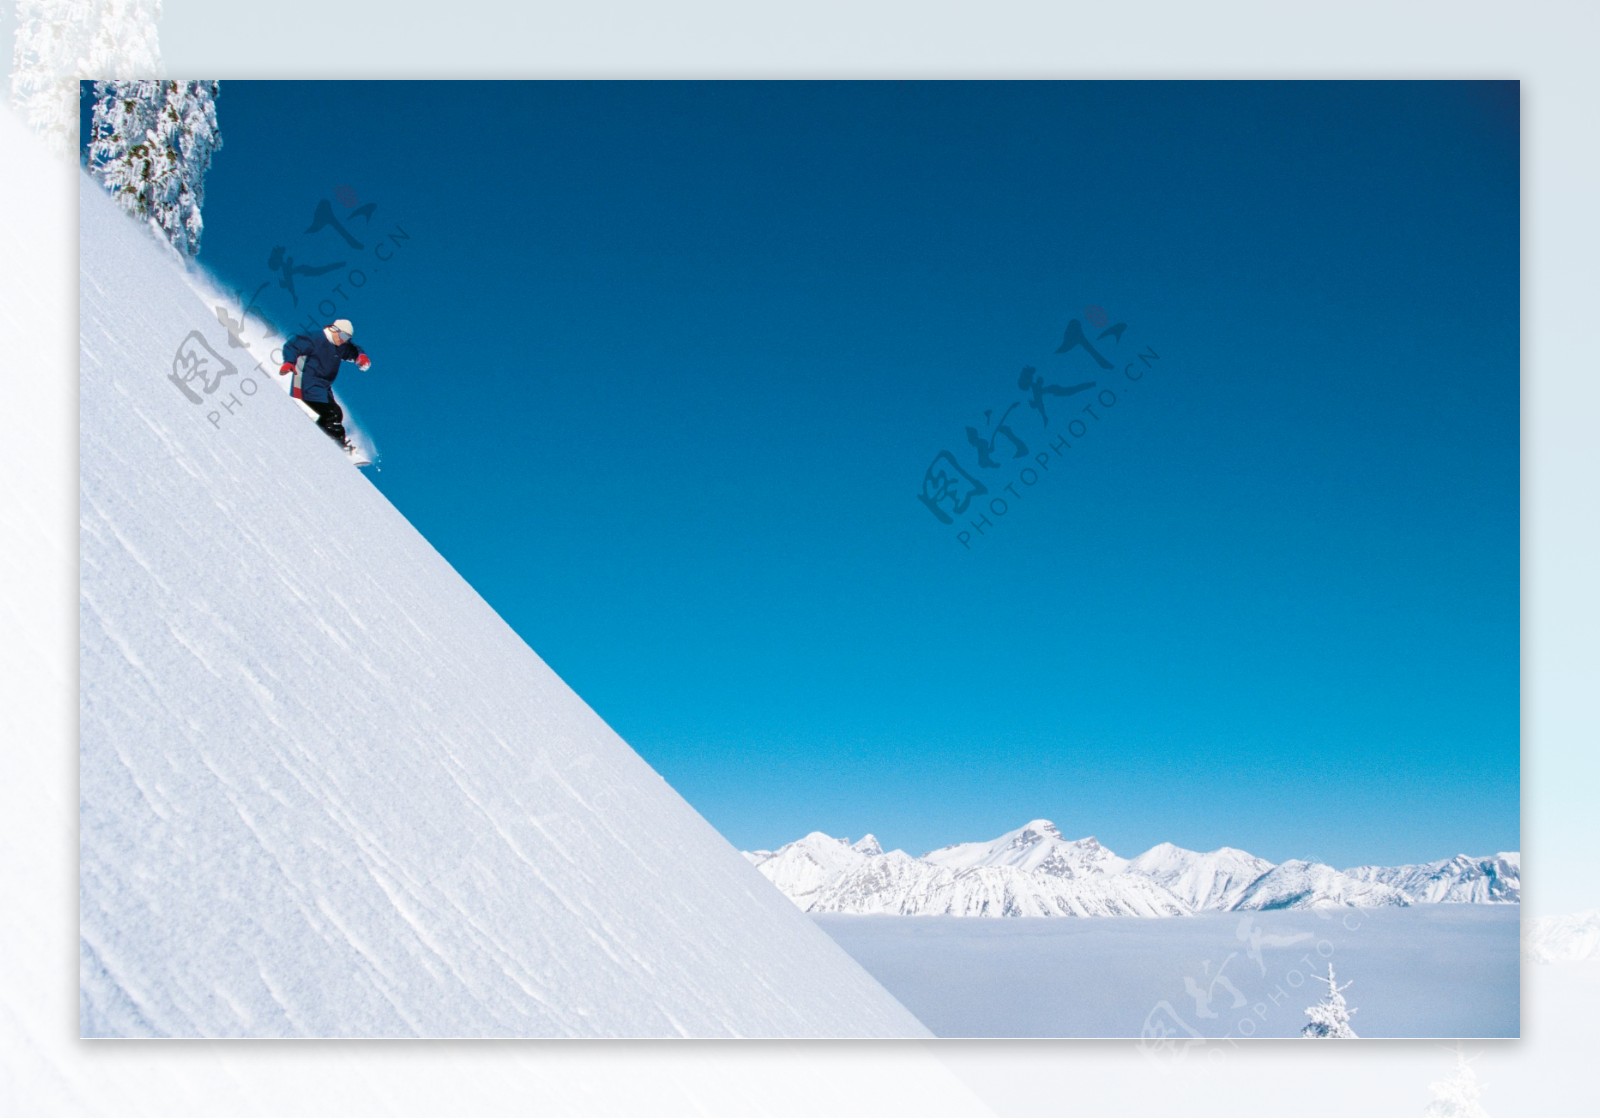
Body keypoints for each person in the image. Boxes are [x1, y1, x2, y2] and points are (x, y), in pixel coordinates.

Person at [278, 318, 373, 450]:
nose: (344, 340)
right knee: (331, 414)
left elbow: (353, 350)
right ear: (334, 330)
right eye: (343, 336)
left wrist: (360, 356)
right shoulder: (315, 339)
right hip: (306, 383)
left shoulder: (341, 346)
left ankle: (321, 440)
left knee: (337, 413)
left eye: (347, 338)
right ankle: (338, 446)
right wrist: (289, 362)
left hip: (323, 387)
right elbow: (293, 346)